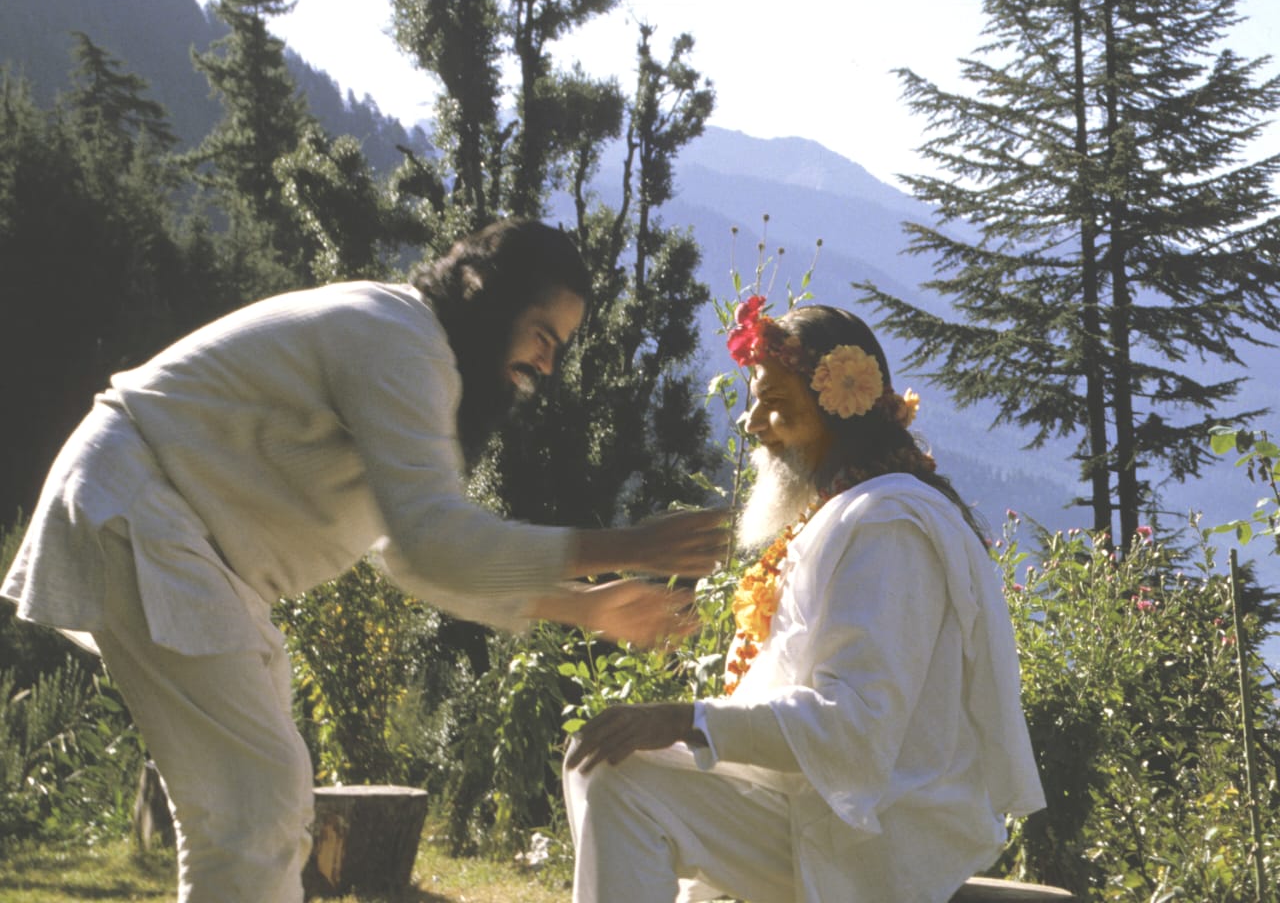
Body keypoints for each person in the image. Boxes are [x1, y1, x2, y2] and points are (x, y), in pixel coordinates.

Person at [2, 218, 726, 903]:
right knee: (257, 801)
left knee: (257, 805)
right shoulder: (399, 340)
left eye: (558, 346)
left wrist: (582, 604)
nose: (546, 361)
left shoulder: (413, 356)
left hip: (181, 538)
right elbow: (430, 539)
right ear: (487, 299)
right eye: (542, 333)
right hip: (145, 512)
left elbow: (404, 555)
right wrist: (624, 545)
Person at [563, 297, 1046, 903]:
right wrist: (688, 728)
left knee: (617, 779)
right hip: (815, 806)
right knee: (600, 756)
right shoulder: (843, 512)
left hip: (871, 833)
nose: (753, 423)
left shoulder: (887, 524)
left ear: (838, 409)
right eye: (755, 401)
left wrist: (684, 720)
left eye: (777, 404)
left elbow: (855, 727)